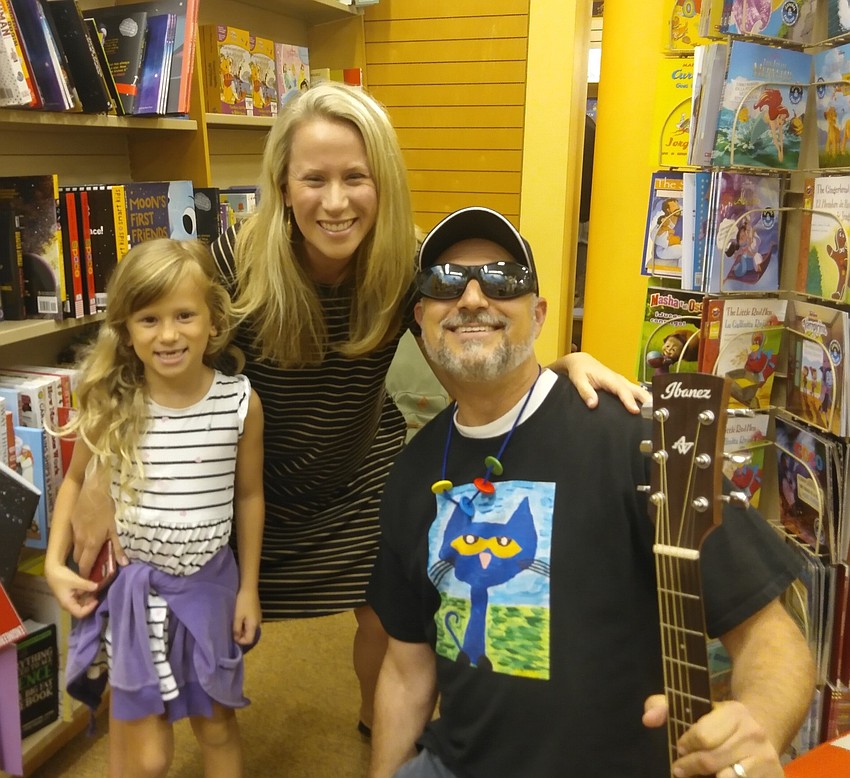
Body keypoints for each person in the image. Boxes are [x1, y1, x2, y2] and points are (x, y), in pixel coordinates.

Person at [70, 82, 649, 734]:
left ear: (384, 182)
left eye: (356, 177)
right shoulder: (236, 257)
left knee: (385, 613)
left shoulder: (405, 263)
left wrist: (559, 369)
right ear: (284, 186)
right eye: (314, 178)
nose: (336, 201)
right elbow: (138, 349)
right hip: (247, 483)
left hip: (356, 476)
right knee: (209, 636)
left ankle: (380, 726)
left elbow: (470, 361)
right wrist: (95, 473)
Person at [366, 206, 815, 778]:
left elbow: (770, 635)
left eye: (504, 279)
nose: (473, 298)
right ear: (421, 317)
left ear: (540, 312)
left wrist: (757, 725)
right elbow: (407, 669)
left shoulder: (637, 440)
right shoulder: (414, 473)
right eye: (446, 283)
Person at [45, 239, 265, 778]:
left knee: (216, 726)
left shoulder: (240, 402)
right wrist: (55, 564)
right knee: (147, 757)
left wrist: (249, 589)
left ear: (212, 321)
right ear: (125, 330)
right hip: (136, 597)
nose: (168, 334)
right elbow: (74, 485)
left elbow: (249, 496)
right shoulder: (113, 404)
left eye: (184, 315)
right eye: (149, 319)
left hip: (209, 590)